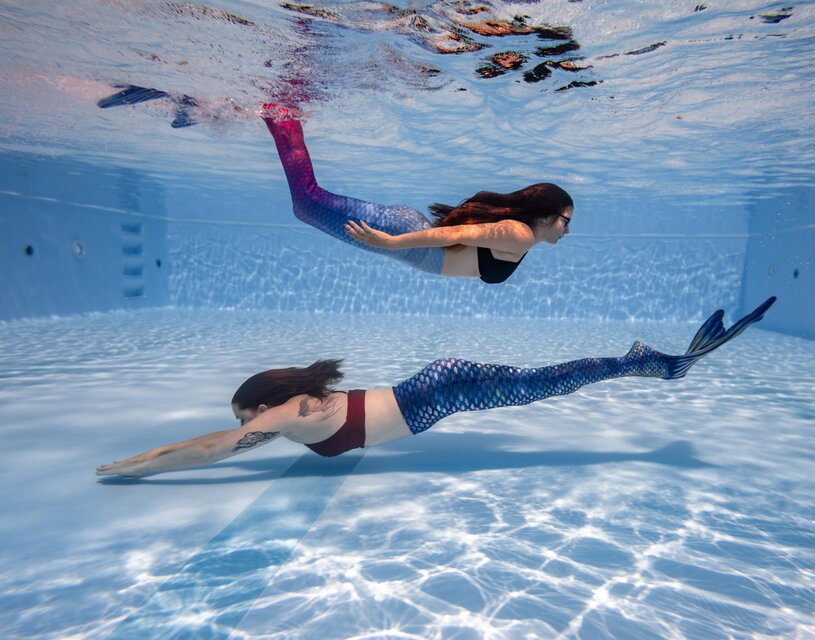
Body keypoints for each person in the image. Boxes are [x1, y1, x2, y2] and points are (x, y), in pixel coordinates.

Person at [96, 297, 775, 478]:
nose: (248, 425)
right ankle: (648, 363)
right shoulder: (294, 414)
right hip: (435, 385)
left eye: (248, 414)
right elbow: (237, 446)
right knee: (545, 383)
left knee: (545, 385)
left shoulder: (290, 413)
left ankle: (654, 365)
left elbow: (214, 448)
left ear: (261, 405)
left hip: (437, 395)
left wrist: (137, 464)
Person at [262, 105, 574, 284]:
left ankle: (279, 114)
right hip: (403, 235)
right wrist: (392, 242)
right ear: (545, 216)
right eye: (565, 220)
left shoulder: (521, 236)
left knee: (306, 204)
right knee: (307, 202)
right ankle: (281, 113)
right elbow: (456, 233)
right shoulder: (520, 235)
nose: (567, 230)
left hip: (407, 236)